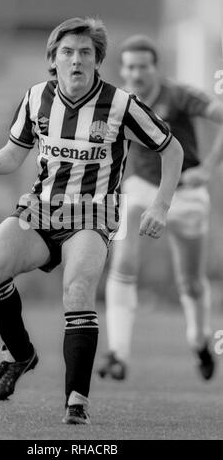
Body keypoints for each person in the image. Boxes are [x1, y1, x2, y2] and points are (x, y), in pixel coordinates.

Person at [0, 19, 183, 425]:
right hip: (41, 207)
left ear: (97, 60)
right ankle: (19, 354)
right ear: (53, 59)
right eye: (67, 52)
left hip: (92, 212)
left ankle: (76, 400)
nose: (76, 60)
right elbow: (14, 154)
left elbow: (171, 149)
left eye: (86, 52)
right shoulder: (35, 98)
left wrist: (160, 206)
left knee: (78, 288)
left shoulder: (121, 104)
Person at [98, 35, 223, 382]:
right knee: (122, 260)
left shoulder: (179, 95)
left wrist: (209, 169)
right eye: (129, 67)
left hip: (186, 195)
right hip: (139, 189)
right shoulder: (118, 102)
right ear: (121, 69)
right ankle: (118, 353)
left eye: (143, 66)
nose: (136, 73)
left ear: (155, 68)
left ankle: (199, 339)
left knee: (192, 282)